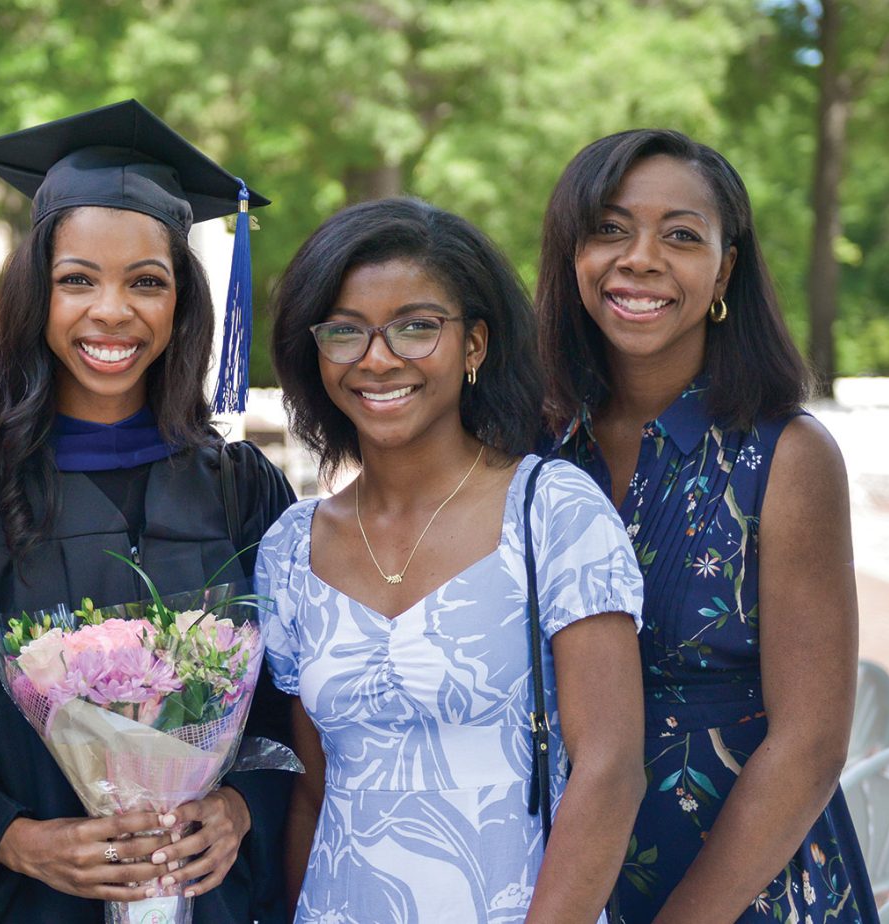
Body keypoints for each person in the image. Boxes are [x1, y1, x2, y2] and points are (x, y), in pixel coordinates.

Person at [0, 100, 297, 924]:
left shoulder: (244, 489)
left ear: (182, 301)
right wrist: (11, 839)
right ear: (37, 295)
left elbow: (297, 712)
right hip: (30, 906)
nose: (111, 312)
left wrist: (241, 807)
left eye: (147, 281)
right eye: (77, 280)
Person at [260, 197, 647, 922]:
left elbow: (611, 772)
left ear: (474, 345)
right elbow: (311, 791)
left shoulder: (553, 511)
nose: (378, 358)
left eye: (415, 327)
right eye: (345, 332)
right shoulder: (291, 547)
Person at [537, 129, 877, 922]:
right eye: (609, 229)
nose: (641, 258)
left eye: (681, 235)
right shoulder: (531, 448)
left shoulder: (786, 457)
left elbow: (811, 744)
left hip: (743, 886)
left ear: (725, 268)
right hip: (555, 880)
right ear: (572, 255)